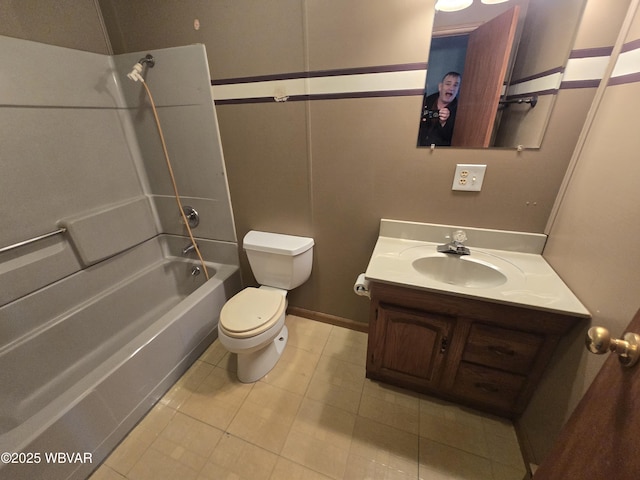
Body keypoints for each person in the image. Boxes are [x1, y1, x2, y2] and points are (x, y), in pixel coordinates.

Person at [417, 71, 461, 147]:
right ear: (440, 87)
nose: (451, 88)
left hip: (441, 154)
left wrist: (443, 123)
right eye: (448, 84)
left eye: (455, 85)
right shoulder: (427, 101)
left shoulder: (459, 111)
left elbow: (455, 139)